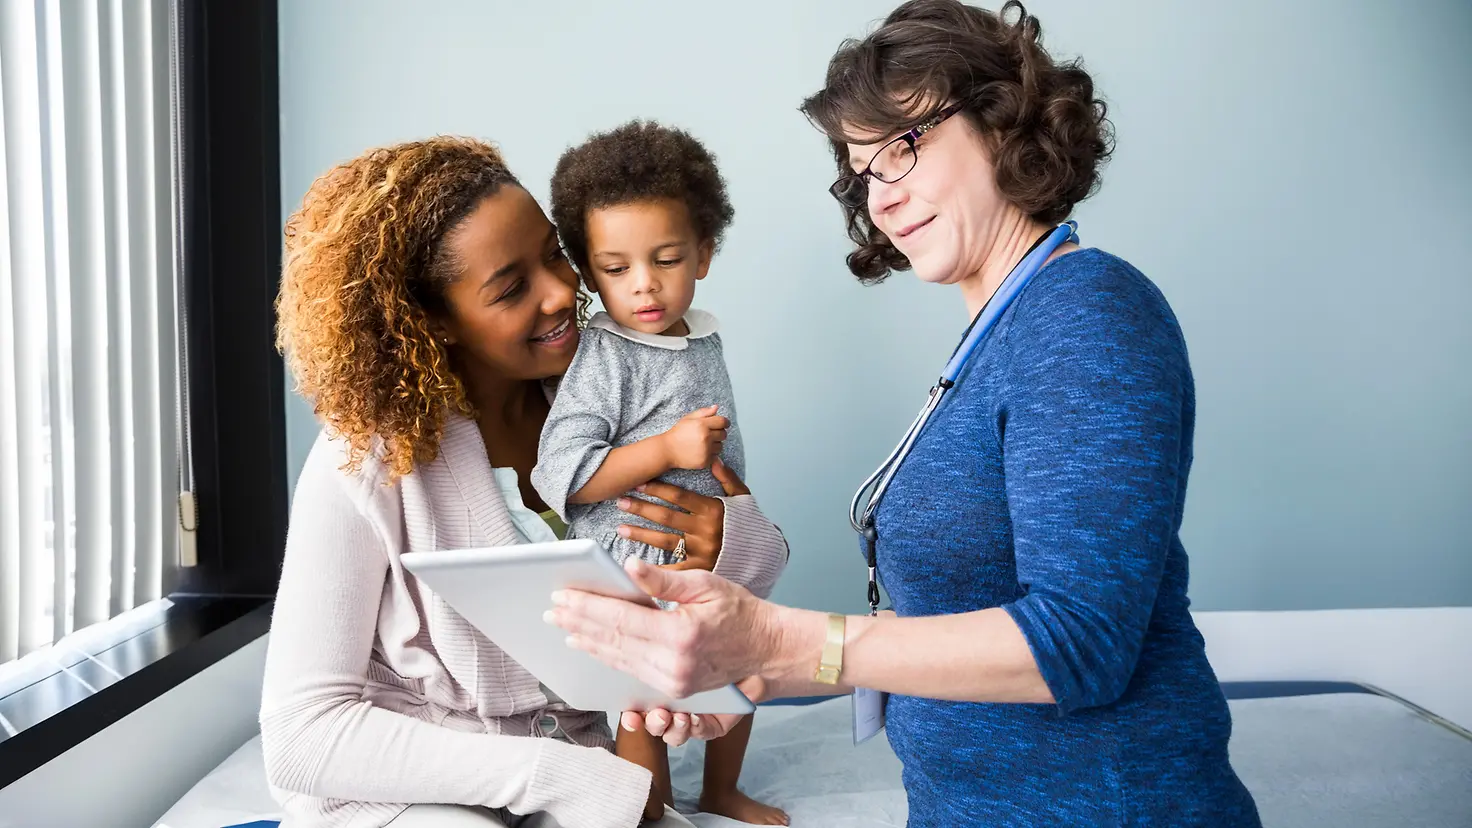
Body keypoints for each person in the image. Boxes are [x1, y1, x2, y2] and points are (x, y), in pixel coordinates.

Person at [547, 1, 1265, 826]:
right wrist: (748, 675)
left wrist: (780, 635)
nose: (881, 198)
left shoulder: (1085, 313)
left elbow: (1080, 641)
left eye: (905, 146)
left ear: (1002, 121)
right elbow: (954, 621)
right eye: (862, 170)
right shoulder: (999, 337)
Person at [263, 136, 788, 828]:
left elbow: (741, 580)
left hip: (583, 773)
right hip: (411, 790)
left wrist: (729, 538)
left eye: (555, 256)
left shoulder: (606, 392)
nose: (564, 292)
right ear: (433, 323)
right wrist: (562, 778)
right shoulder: (364, 459)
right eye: (512, 288)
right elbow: (302, 737)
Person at [531, 121, 788, 826]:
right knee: (643, 700)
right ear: (588, 272)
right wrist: (668, 451)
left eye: (667, 259)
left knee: (739, 669)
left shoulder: (702, 335)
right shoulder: (605, 355)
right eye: (615, 270)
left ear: (703, 254)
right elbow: (562, 473)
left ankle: (722, 791)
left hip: (712, 554)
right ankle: (653, 806)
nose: (644, 285)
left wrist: (743, 518)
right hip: (635, 565)